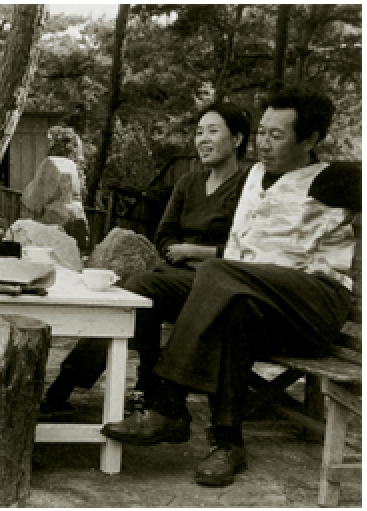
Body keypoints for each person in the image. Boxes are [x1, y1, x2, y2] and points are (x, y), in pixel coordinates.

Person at [100, 87, 360, 487]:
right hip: (252, 297)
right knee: (149, 288)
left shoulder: (336, 179)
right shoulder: (254, 175)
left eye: (278, 136)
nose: (265, 143)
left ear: (310, 140)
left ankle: (168, 403)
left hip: (313, 303)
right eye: (263, 133)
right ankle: (227, 443)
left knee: (221, 273)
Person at [41, 102, 252, 420]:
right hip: (175, 275)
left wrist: (198, 253)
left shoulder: (250, 186)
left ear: (237, 139)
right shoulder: (188, 183)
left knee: (140, 288)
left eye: (213, 131)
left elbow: (249, 246)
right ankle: (120, 384)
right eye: (198, 132)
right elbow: (164, 235)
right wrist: (176, 251)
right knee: (124, 294)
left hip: (216, 282)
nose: (203, 139)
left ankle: (106, 384)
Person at [21, 126, 90, 251]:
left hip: (55, 228)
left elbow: (32, 201)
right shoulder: (70, 170)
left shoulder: (53, 165)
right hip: (69, 223)